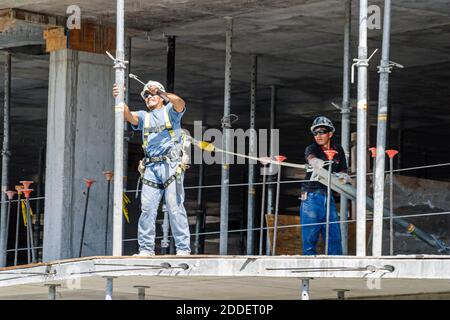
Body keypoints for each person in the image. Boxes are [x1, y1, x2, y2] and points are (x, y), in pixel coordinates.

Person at [113, 80, 191, 256]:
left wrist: (161, 93)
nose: (148, 97)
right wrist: (120, 97)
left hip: (171, 165)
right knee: (147, 209)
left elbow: (180, 103)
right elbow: (128, 116)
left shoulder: (169, 111)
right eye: (146, 96)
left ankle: (183, 249)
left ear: (161, 96)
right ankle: (146, 249)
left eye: (151, 94)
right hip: (151, 167)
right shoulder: (144, 116)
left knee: (175, 206)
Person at [299, 116, 349, 255]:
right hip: (311, 196)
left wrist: (343, 175)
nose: (318, 136)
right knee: (310, 234)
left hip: (329, 195)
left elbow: (343, 168)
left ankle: (337, 268)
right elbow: (309, 156)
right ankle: (308, 268)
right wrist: (314, 160)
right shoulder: (312, 148)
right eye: (315, 133)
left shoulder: (338, 149)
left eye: (321, 132)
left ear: (330, 133)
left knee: (334, 235)